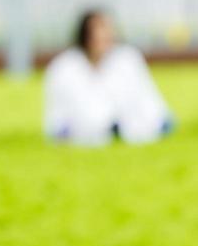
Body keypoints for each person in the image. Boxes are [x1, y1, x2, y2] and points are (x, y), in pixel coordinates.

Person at [43, 8, 172, 145]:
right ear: (85, 34)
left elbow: (148, 102)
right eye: (98, 31)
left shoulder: (127, 60)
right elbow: (59, 117)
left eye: (107, 30)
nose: (105, 36)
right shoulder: (64, 67)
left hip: (131, 132)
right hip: (83, 136)